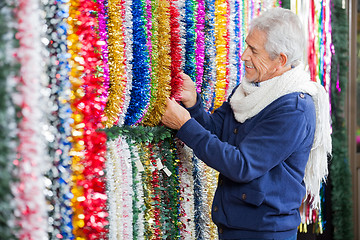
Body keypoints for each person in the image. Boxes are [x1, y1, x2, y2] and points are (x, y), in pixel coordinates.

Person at [161, 7, 331, 240]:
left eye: (253, 50)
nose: (243, 55)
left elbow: (242, 165)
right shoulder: (250, 90)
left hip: (264, 233)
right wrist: (193, 104)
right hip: (234, 227)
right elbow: (217, 131)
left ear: (280, 60)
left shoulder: (293, 108)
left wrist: (184, 126)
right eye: (246, 45)